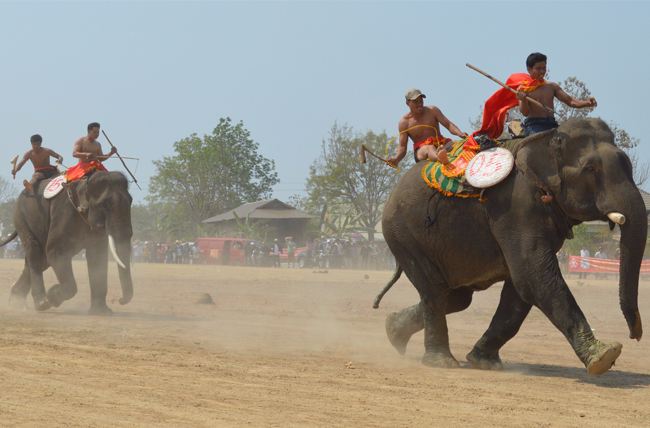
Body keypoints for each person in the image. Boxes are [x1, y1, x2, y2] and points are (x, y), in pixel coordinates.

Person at [517, 52, 597, 136]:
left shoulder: (551, 86)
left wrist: (587, 103)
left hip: (552, 124)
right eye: (538, 68)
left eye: (544, 68)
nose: (542, 71)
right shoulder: (523, 89)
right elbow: (525, 112)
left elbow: (571, 101)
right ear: (529, 69)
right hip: (534, 125)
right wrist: (523, 100)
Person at [387, 89, 468, 166]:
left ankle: (443, 153)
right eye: (415, 102)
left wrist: (460, 133)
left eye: (421, 101)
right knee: (429, 148)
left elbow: (449, 124)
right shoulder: (404, 123)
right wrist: (396, 159)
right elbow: (402, 147)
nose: (419, 104)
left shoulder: (433, 110)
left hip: (441, 144)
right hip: (421, 151)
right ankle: (440, 158)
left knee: (459, 144)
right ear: (407, 103)